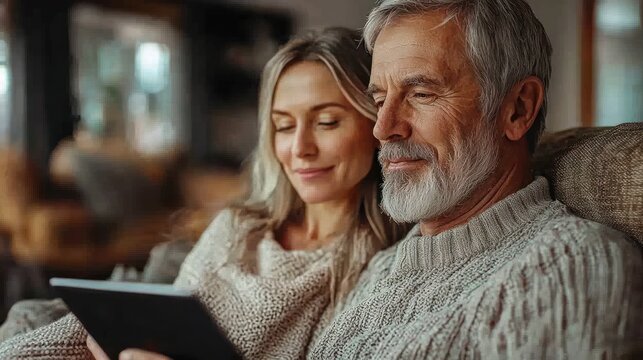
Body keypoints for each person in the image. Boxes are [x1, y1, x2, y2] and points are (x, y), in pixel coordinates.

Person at [0, 27, 405, 360]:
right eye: (283, 126)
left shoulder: (379, 270)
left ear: (375, 123)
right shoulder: (238, 226)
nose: (300, 149)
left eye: (327, 122)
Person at [309, 1, 643, 358]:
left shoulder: (573, 268)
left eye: (421, 94)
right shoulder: (383, 266)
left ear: (518, 109)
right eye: (379, 100)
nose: (383, 128)